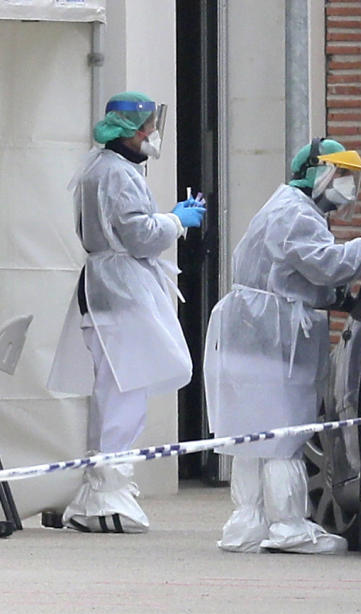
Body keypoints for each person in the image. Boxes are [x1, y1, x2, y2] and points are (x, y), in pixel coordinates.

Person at [204, 137, 361, 554]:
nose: (348, 187)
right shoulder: (297, 216)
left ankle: (248, 524)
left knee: (254, 436)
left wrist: (340, 299)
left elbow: (300, 278)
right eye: (343, 176)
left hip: (252, 333)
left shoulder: (287, 208)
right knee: (284, 433)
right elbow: (327, 265)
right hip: (271, 337)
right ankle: (288, 526)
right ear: (320, 171)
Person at [48, 91, 206, 533]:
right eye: (149, 129)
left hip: (106, 292)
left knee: (113, 396)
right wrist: (175, 221)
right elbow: (139, 236)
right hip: (119, 293)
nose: (152, 136)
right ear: (131, 131)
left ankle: (102, 494)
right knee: (123, 396)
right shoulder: (117, 174)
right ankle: (106, 500)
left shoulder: (100, 169)